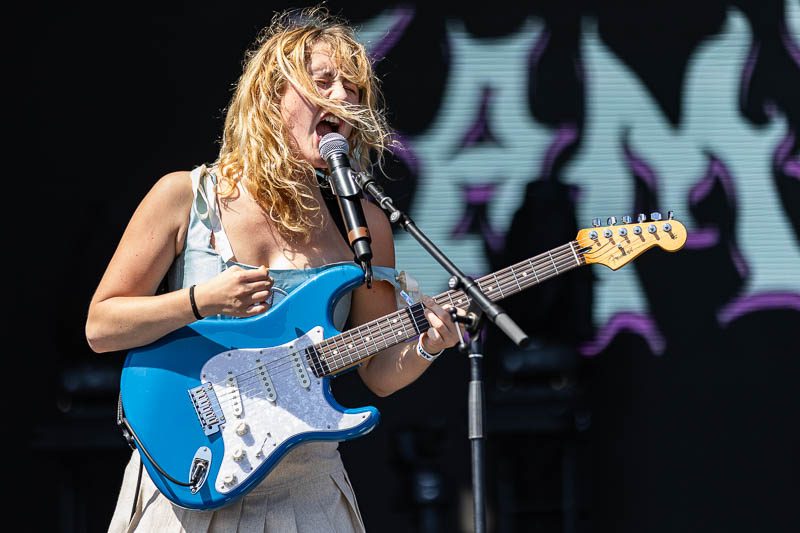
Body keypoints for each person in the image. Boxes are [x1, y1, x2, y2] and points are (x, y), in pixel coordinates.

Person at [85, 5, 460, 532]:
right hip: (187, 482)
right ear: (270, 96)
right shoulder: (187, 196)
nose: (343, 97)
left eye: (354, 89)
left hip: (306, 495)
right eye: (323, 82)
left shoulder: (362, 223)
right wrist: (200, 301)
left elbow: (377, 372)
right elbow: (101, 326)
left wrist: (428, 345)